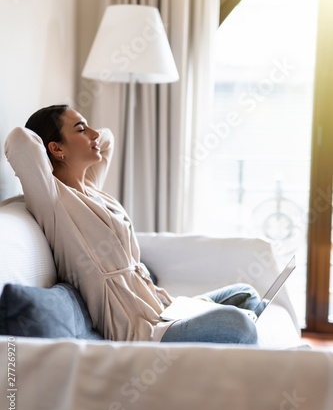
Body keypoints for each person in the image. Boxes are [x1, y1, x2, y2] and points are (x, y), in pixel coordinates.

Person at [5, 105, 262, 344]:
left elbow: (107, 139)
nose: (95, 134)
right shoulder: (53, 200)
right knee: (240, 324)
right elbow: (19, 140)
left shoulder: (93, 190)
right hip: (141, 330)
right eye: (82, 130)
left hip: (165, 308)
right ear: (56, 148)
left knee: (246, 294)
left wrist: (80, 130)